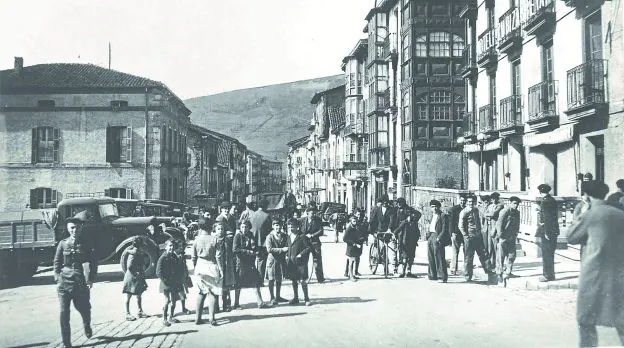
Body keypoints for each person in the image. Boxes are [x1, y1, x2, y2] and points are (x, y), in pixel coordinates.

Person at [566, 181, 624, 347]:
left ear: (586, 195)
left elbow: (572, 237)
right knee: (621, 318)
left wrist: (581, 215)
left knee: (585, 319)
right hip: (619, 272)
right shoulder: (620, 213)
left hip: (594, 274)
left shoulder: (590, 214)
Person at [53, 211, 97, 348]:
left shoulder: (87, 244)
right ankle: (67, 343)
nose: (74, 230)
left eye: (77, 227)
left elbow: (93, 263)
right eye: (72, 227)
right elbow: (56, 262)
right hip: (64, 283)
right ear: (68, 228)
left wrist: (91, 279)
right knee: (63, 313)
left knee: (84, 309)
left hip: (80, 283)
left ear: (81, 228)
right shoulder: (63, 243)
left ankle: (86, 325)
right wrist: (57, 278)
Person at [192, 220, 224, 326]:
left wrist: (195, 266)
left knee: (201, 292)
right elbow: (218, 257)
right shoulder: (215, 240)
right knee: (213, 293)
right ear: (211, 228)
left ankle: (197, 318)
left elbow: (193, 257)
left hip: (200, 266)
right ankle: (212, 318)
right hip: (212, 266)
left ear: (200, 229)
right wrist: (221, 269)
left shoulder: (196, 240)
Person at [232, 220, 268, 309]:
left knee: (255, 282)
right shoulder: (237, 236)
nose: (244, 229)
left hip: (250, 263)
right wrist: (248, 252)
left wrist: (256, 251)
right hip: (240, 263)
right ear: (240, 227)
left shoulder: (251, 235)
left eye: (246, 227)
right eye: (242, 227)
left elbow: (254, 246)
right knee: (238, 284)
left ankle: (260, 302)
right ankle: (236, 304)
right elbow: (235, 249)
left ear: (249, 227)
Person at [459, 196, 493, 282]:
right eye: (469, 202)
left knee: (484, 255)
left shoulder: (476, 210)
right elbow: (461, 226)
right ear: (466, 203)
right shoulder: (464, 212)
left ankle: (489, 271)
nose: (471, 203)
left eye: (472, 202)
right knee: (469, 258)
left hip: (478, 236)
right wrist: (466, 236)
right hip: (470, 237)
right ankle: (468, 276)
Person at [156, 239, 185, 326]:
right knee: (167, 301)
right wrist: (165, 281)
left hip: (174, 283)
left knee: (173, 301)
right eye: (170, 246)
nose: (172, 248)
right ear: (166, 247)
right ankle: (164, 319)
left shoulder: (174, 256)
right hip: (166, 283)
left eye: (173, 246)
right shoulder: (163, 258)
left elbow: (178, 268)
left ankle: (171, 316)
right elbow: (158, 272)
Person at [535, 184, 559, 282]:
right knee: (550, 254)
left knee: (546, 254)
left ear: (540, 192)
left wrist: (547, 232)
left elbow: (547, 218)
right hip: (553, 230)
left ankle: (547, 275)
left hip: (547, 231)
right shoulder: (552, 200)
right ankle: (551, 275)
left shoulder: (545, 202)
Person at [495, 196, 521, 287]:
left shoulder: (517, 213)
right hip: (503, 237)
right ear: (510, 203)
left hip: (512, 237)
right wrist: (500, 235)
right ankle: (499, 274)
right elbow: (499, 224)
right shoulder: (504, 211)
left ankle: (508, 272)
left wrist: (516, 233)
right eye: (514, 203)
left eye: (517, 204)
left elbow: (517, 224)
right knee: (500, 256)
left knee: (512, 255)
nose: (516, 205)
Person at [286, 218, 313, 306]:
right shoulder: (289, 237)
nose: (290, 228)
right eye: (289, 226)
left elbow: (308, 248)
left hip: (301, 263)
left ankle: (306, 299)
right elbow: (287, 247)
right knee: (294, 280)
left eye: (292, 226)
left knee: (302, 281)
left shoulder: (302, 236)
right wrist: (287, 255)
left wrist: (301, 254)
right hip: (292, 262)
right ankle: (296, 298)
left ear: (297, 227)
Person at [122, 238, 149, 321]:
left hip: (137, 276)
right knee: (129, 295)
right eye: (142, 246)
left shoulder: (138, 252)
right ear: (139, 246)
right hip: (132, 277)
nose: (143, 248)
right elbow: (129, 266)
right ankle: (127, 313)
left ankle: (140, 311)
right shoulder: (134, 253)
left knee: (139, 294)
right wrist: (137, 273)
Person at [368, 195, 396, 276]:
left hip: (387, 232)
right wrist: (373, 231)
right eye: (383, 203)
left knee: (390, 249)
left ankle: (387, 267)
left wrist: (390, 229)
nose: (385, 204)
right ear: (381, 203)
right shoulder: (377, 210)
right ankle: (375, 259)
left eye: (386, 203)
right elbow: (373, 220)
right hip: (379, 231)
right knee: (379, 248)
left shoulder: (391, 210)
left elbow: (392, 220)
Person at [265, 219, 289, 305]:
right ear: (273, 226)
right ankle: (272, 297)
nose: (278, 227)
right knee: (271, 279)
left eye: (279, 225)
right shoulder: (269, 236)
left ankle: (278, 296)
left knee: (279, 278)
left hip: (281, 260)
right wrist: (282, 250)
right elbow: (269, 249)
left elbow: (288, 245)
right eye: (276, 225)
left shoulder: (284, 236)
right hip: (272, 260)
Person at [300, 204, 325, 283]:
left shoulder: (318, 220)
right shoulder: (302, 220)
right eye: (312, 213)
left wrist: (312, 235)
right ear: (307, 213)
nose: (313, 215)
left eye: (314, 213)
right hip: (305, 244)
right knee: (304, 260)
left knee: (317, 261)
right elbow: (299, 231)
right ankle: (304, 278)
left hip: (315, 243)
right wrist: (304, 236)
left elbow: (321, 231)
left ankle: (320, 278)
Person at [249, 199, 273, 283]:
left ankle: (251, 279)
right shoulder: (267, 216)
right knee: (261, 261)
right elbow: (269, 230)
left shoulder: (252, 215)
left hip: (251, 241)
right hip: (262, 242)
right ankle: (260, 280)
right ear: (265, 206)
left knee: (251, 261)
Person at [426, 200, 450, 283]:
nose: (434, 208)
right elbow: (430, 226)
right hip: (431, 236)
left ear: (439, 207)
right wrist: (428, 235)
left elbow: (445, 229)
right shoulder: (431, 215)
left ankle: (442, 276)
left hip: (438, 236)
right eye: (432, 207)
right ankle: (432, 275)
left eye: (436, 206)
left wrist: (439, 238)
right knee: (431, 256)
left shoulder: (443, 216)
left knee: (439, 257)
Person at [393, 210, 421, 278]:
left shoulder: (415, 223)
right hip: (405, 242)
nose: (414, 217)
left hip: (413, 242)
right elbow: (398, 229)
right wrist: (394, 235)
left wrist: (417, 238)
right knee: (405, 257)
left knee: (411, 257)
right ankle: (403, 271)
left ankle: (409, 271)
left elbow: (417, 231)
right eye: (412, 215)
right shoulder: (404, 222)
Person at [217, 218, 236, 312]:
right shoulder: (214, 240)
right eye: (218, 229)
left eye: (222, 229)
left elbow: (231, 232)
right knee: (216, 286)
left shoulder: (228, 240)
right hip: (216, 266)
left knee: (226, 287)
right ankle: (215, 306)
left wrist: (225, 224)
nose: (220, 231)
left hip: (226, 265)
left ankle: (225, 305)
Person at [448, 194, 467, 275]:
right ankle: (453, 269)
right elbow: (451, 222)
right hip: (456, 233)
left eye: (464, 201)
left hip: (465, 233)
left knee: (466, 251)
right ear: (459, 200)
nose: (462, 202)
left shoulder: (467, 209)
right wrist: (451, 233)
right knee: (455, 251)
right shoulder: (454, 209)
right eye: (461, 200)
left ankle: (466, 269)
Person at [484, 192, 504, 268]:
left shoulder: (500, 206)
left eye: (496, 198)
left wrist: (489, 215)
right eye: (492, 199)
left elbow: (493, 214)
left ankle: (498, 264)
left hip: (496, 228)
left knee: (496, 247)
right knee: (490, 247)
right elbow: (485, 214)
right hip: (489, 227)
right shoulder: (490, 206)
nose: (494, 200)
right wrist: (488, 215)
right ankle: (491, 263)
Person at [343, 215, 363, 281]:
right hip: (351, 247)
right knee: (351, 261)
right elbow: (344, 239)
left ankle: (350, 274)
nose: (355, 222)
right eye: (354, 221)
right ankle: (351, 276)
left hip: (356, 247)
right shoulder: (349, 229)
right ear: (351, 222)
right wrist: (353, 243)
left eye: (356, 221)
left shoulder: (356, 228)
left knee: (353, 260)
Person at [175, 241, 192, 316]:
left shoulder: (181, 255)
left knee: (183, 294)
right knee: (173, 295)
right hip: (176, 278)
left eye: (182, 246)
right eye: (179, 246)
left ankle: (183, 308)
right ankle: (170, 310)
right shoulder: (174, 256)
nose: (181, 247)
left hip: (182, 277)